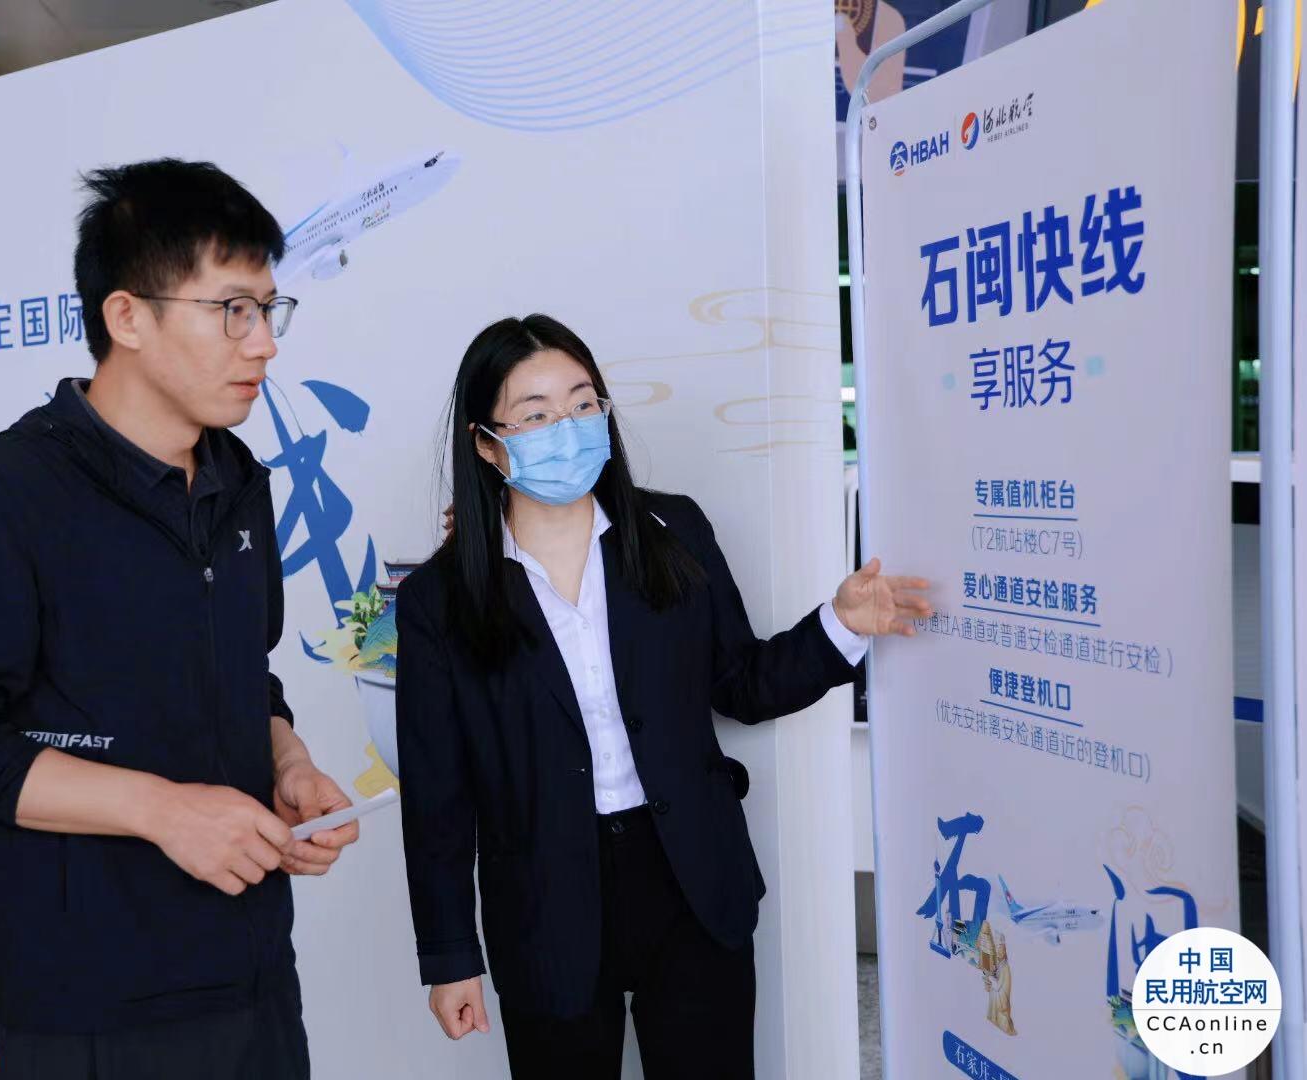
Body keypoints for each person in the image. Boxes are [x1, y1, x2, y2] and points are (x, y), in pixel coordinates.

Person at [0, 159, 358, 1079]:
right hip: (95, 1007)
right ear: (127, 317)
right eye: (233, 310)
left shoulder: (239, 481)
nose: (264, 344)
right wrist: (162, 812)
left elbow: (243, 674)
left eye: (270, 309)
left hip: (256, 978)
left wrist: (288, 764)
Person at [395, 314, 931, 1078]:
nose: (568, 429)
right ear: (486, 443)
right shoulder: (441, 600)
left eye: (583, 404)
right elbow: (437, 796)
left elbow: (741, 683)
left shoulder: (671, 530)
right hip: (545, 900)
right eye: (537, 415)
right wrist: (449, 954)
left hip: (690, 878)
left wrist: (840, 625)